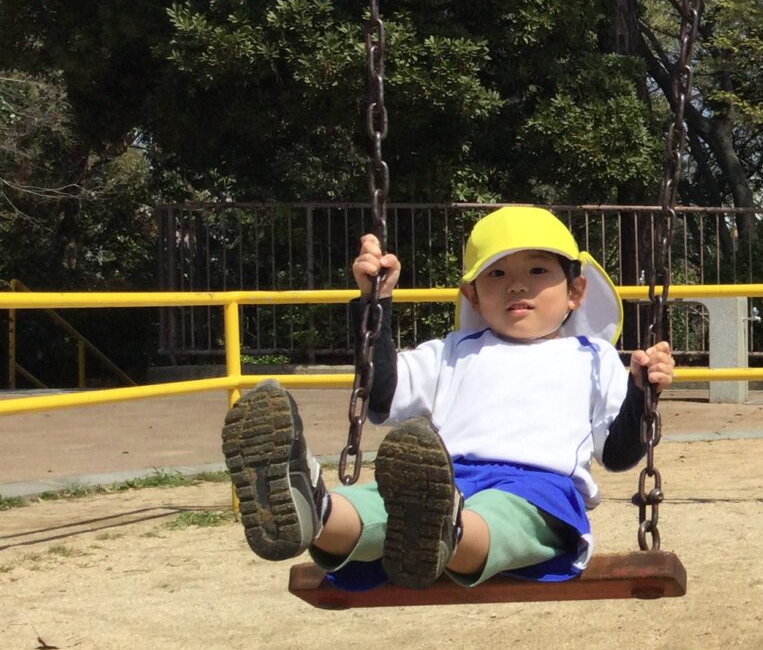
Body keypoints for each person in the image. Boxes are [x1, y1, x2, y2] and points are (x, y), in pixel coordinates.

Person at [220, 206, 675, 592]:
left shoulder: (593, 358)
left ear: (575, 291)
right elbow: (383, 394)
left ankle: (445, 533)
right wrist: (375, 303)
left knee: (497, 518)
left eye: (537, 271)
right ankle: (311, 507)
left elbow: (616, 454)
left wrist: (642, 393)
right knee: (377, 503)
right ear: (472, 295)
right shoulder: (452, 352)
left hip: (537, 491)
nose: (517, 285)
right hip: (435, 480)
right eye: (496, 274)